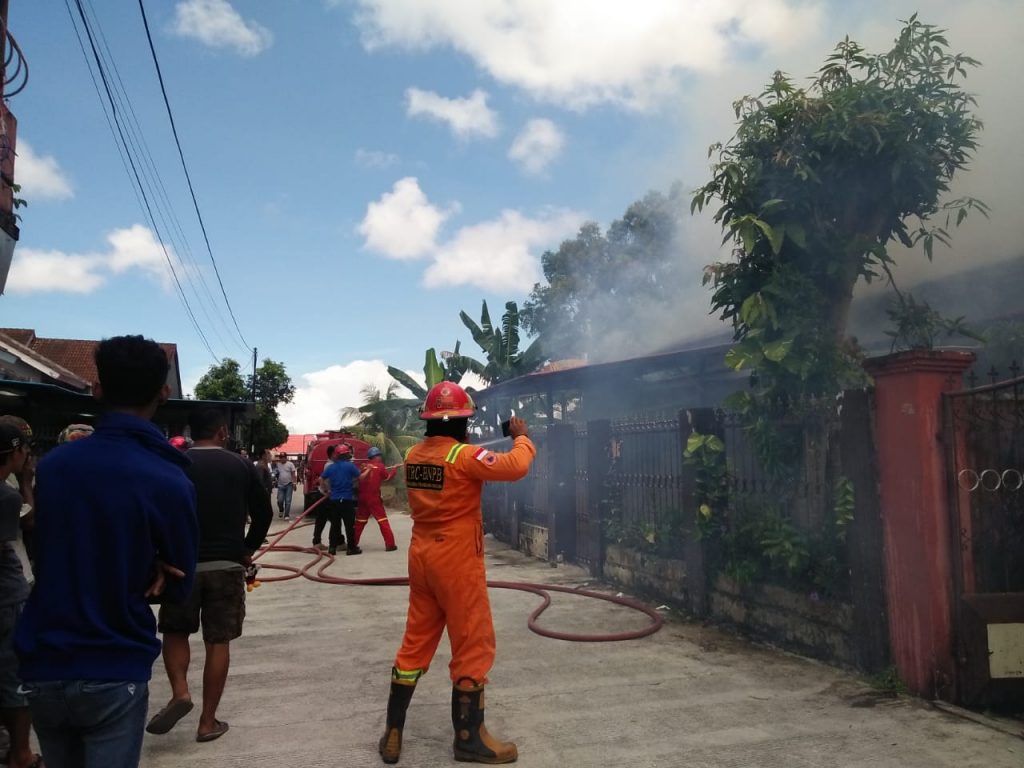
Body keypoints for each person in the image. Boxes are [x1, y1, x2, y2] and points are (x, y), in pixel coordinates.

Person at [14, 334, 199, 768]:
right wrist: (146, 560)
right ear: (164, 393)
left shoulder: (57, 467)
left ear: (97, 390)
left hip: (43, 661)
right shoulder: (169, 480)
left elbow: (57, 547)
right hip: (113, 665)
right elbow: (179, 583)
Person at [378, 382, 535, 765]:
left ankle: (393, 731)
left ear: (428, 423)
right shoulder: (464, 456)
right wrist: (522, 438)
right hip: (457, 560)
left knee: (416, 640)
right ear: (464, 423)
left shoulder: (414, 455)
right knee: (472, 643)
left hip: (422, 557)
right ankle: (468, 739)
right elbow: (516, 467)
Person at [148, 408, 272, 743]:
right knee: (218, 641)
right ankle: (207, 722)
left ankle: (180, 692)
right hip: (226, 566)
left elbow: (154, 511)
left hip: (180, 565)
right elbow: (264, 513)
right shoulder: (241, 465)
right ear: (221, 432)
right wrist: (247, 549)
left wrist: (159, 554)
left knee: (175, 631)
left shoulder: (175, 462)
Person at [0, 422, 41, 768]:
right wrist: (28, 483)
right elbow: (29, 523)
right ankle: (21, 754)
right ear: (15, 453)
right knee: (16, 675)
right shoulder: (8, 495)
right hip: (8, 596)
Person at [318, 444, 360, 556]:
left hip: (334, 500)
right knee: (349, 525)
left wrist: (326, 490)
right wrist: (369, 471)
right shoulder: (350, 466)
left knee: (335, 525)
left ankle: (332, 548)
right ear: (346, 454)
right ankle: (351, 548)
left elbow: (321, 479)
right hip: (346, 499)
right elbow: (360, 477)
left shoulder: (331, 467)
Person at [354, 447, 398, 552]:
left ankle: (353, 544)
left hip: (362, 498)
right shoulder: (380, 466)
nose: (380, 458)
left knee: (359, 523)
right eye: (379, 456)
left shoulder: (363, 466)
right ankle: (390, 544)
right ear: (376, 456)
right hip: (374, 499)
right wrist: (394, 469)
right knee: (382, 521)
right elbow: (387, 477)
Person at [311, 444, 342, 550]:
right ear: (333, 454)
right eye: (337, 452)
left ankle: (318, 542)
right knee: (333, 520)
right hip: (325, 497)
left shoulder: (332, 464)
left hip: (326, 496)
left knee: (324, 519)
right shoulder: (330, 465)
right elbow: (321, 480)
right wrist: (326, 490)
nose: (339, 454)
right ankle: (338, 542)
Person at [275, 452, 297, 519]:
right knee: (280, 500)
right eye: (281, 457)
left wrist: (294, 483)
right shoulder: (278, 465)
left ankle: (286, 515)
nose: (282, 459)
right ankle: (281, 510)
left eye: (283, 457)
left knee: (288, 500)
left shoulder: (290, 464)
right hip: (280, 485)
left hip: (289, 484)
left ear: (286, 457)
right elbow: (276, 473)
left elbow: (293, 474)